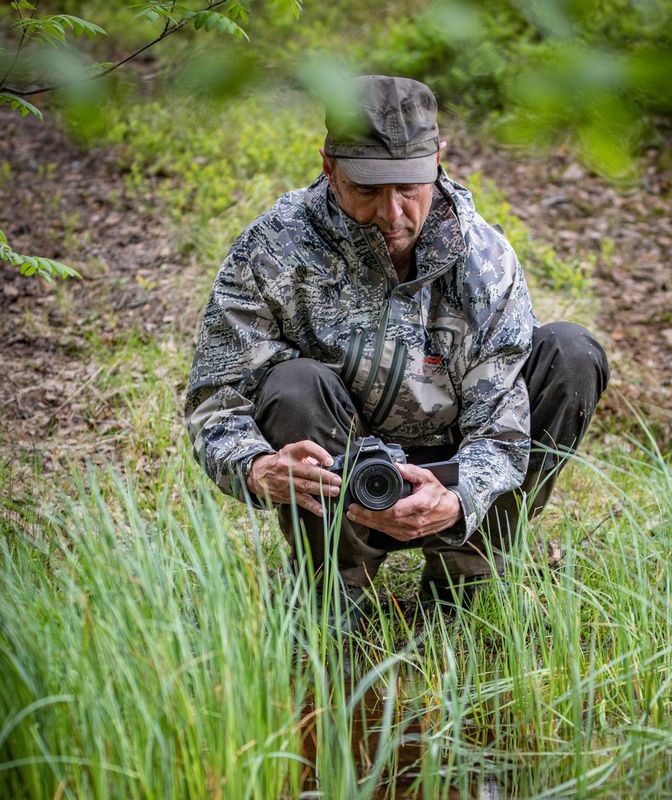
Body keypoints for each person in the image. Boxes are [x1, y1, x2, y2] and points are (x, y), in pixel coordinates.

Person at [185, 75, 608, 614]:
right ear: (328, 167)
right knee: (292, 385)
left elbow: (502, 427)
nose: (393, 213)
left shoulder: (485, 257)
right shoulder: (271, 248)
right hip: (341, 469)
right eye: (368, 189)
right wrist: (253, 466)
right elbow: (216, 397)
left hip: (457, 464)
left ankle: (471, 568)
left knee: (570, 353)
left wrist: (458, 498)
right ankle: (334, 582)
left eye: (410, 187)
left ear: (438, 160)